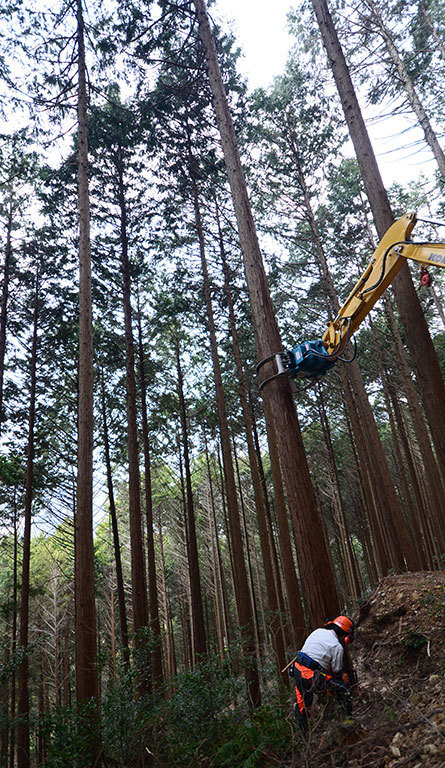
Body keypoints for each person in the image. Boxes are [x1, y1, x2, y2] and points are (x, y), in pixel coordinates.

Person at [290, 615, 355, 730]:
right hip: (310, 676)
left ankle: (303, 736)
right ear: (345, 634)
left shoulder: (318, 631)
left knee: (303, 706)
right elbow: (336, 670)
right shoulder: (337, 646)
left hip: (296, 669)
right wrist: (344, 676)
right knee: (342, 690)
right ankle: (348, 723)